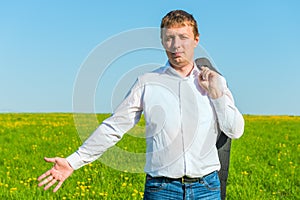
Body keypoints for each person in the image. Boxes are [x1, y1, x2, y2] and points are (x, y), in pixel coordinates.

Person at [38, 10, 244, 199]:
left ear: (196, 40)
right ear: (162, 41)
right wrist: (73, 161)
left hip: (206, 188)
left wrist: (217, 95)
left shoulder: (214, 81)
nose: (176, 45)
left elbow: (234, 130)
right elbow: (114, 127)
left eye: (183, 37)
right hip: (162, 190)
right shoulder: (147, 82)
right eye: (169, 38)